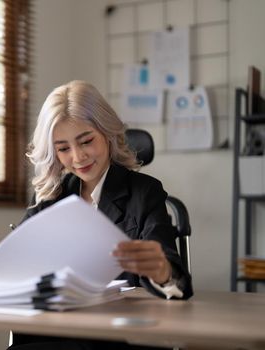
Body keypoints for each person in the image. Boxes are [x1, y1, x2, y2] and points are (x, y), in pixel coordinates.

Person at [10, 80, 193, 350]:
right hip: (55, 330)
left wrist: (163, 272)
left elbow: (176, 283)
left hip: (118, 335)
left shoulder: (145, 193)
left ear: (108, 133)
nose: (77, 157)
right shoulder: (51, 197)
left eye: (86, 141)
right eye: (63, 148)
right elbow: (14, 263)